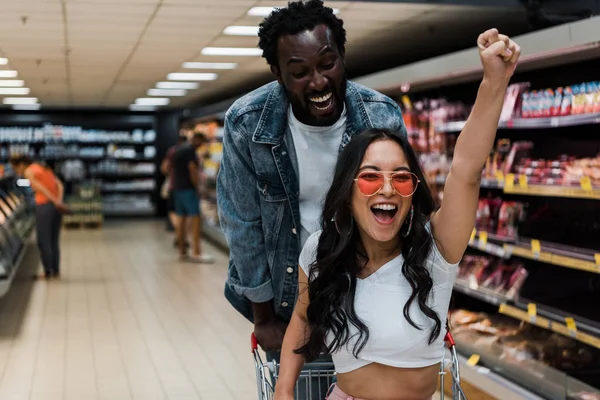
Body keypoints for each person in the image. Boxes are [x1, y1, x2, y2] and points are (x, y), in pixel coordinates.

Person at [273, 29, 521, 400]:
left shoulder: (434, 252)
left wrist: (494, 81)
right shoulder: (321, 251)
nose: (387, 188)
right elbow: (302, 320)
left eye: (401, 178)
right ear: (349, 189)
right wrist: (283, 390)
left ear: (412, 191)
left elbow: (466, 170)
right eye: (371, 177)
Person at [217, 0, 406, 365]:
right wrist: (264, 318)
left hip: (367, 297)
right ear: (277, 73)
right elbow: (242, 224)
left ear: (342, 54)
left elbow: (404, 213)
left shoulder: (381, 115)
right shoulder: (247, 124)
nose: (318, 81)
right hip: (291, 303)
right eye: (299, 72)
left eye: (327, 63)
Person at [10, 156, 68, 280]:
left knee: (43, 240)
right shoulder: (44, 168)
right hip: (55, 207)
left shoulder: (29, 171)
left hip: (44, 206)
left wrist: (54, 201)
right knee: (53, 240)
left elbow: (40, 188)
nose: (17, 172)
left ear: (21, 164)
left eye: (16, 169)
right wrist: (59, 200)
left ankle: (48, 272)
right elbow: (59, 185)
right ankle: (55, 271)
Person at [171, 132, 214, 263]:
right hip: (188, 189)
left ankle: (182, 251)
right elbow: (192, 169)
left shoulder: (178, 150)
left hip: (177, 188)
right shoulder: (190, 150)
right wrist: (198, 187)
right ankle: (196, 252)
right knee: (196, 219)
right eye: (201, 142)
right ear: (196, 139)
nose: (201, 145)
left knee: (181, 219)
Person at [161, 134, 188, 244]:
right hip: (186, 187)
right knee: (184, 214)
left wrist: (171, 174)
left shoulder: (172, 151)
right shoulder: (189, 152)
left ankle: (179, 233)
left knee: (173, 211)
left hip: (173, 185)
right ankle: (181, 235)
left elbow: (163, 168)